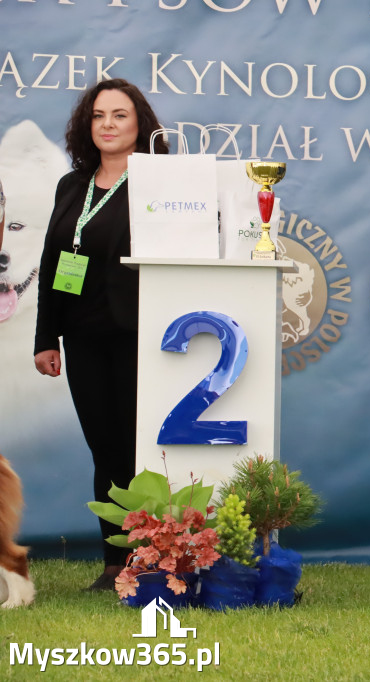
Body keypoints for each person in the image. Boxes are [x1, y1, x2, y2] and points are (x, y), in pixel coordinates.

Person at [33, 79, 168, 591]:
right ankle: (115, 564)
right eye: (98, 115)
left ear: (140, 124)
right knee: (105, 451)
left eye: (119, 115)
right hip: (82, 338)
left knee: (142, 452)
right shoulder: (73, 186)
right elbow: (51, 266)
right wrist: (47, 338)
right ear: (86, 125)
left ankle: (154, 558)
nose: (108, 124)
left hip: (143, 335)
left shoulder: (162, 182)